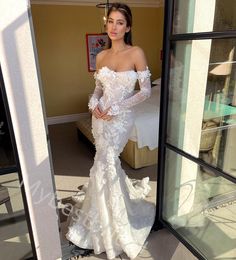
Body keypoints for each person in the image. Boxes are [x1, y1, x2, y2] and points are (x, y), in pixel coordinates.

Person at [66, 3, 155, 259]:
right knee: (102, 161)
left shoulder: (136, 52)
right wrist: (93, 104)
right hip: (100, 117)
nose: (114, 27)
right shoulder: (102, 56)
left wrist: (116, 107)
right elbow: (98, 89)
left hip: (121, 117)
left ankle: (112, 224)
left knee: (107, 160)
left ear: (128, 27)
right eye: (111, 21)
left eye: (120, 22)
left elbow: (146, 91)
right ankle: (100, 213)